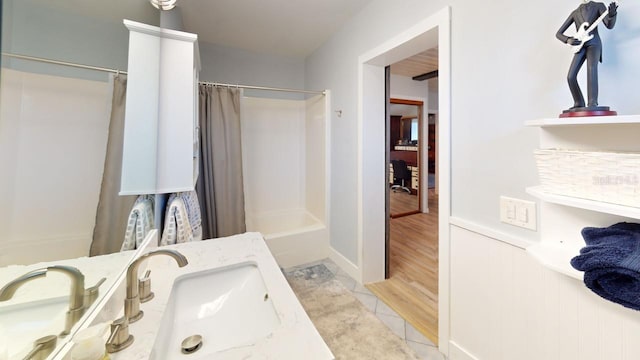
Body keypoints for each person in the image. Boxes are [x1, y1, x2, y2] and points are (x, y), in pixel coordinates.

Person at [556, 1, 618, 112]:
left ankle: (592, 102)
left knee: (591, 69)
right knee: (571, 76)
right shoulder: (575, 13)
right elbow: (558, 33)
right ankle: (578, 102)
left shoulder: (599, 6)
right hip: (580, 45)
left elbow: (609, 25)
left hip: (594, 43)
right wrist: (568, 40)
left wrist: (612, 15)